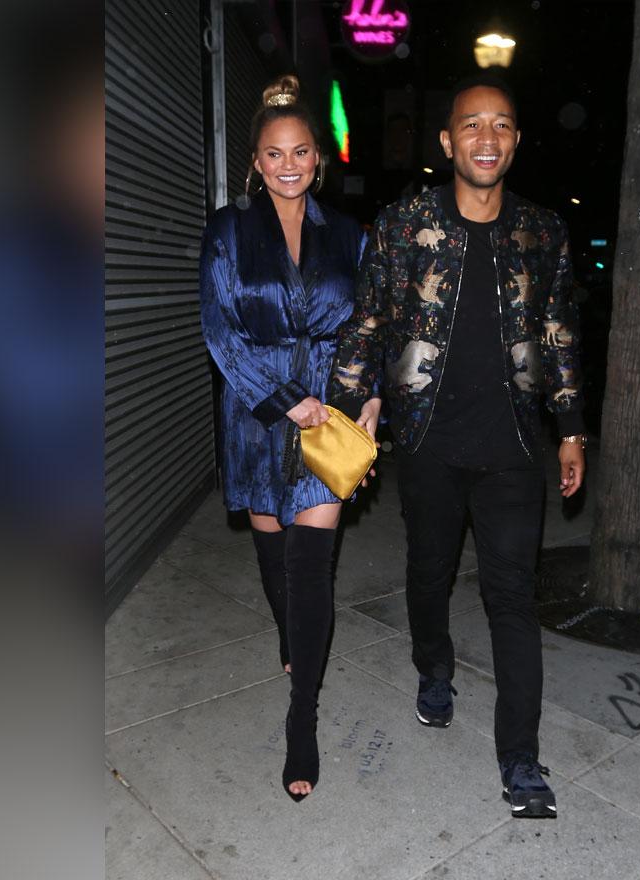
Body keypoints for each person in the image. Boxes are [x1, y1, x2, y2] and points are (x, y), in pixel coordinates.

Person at [330, 73, 587, 819]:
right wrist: (346, 414)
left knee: (512, 597)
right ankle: (433, 670)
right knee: (430, 572)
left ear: (515, 142)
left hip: (513, 449)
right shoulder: (405, 224)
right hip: (428, 442)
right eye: (471, 125)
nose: (486, 137)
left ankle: (521, 762)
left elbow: (560, 335)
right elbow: (369, 323)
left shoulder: (543, 232)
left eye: (501, 125)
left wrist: (570, 428)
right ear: (447, 142)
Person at [198, 75, 365, 801]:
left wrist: (369, 397)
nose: (289, 164)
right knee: (274, 565)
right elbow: (218, 329)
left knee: (309, 569)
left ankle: (304, 722)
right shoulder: (228, 230)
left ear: (316, 160)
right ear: (256, 163)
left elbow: (368, 328)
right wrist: (283, 400)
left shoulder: (351, 235)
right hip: (255, 414)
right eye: (275, 154)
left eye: (301, 152)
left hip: (329, 419)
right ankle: (291, 639)